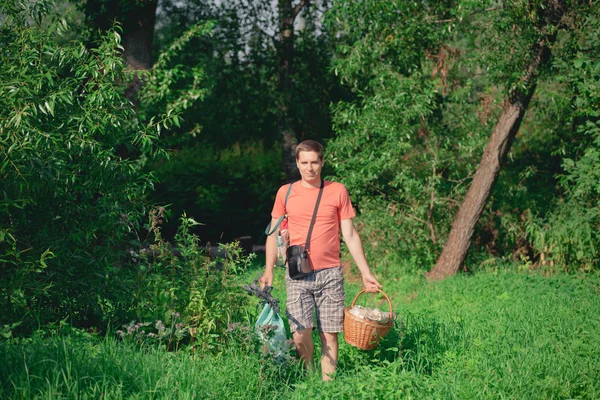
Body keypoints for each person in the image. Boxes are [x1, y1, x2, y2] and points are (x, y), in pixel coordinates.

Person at [259, 140, 382, 381]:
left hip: (330, 273)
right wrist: (268, 271)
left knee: (330, 334)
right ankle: (309, 372)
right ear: (297, 163)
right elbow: (272, 234)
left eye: (314, 162)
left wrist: (365, 272)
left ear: (322, 162)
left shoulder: (337, 191)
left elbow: (350, 234)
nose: (309, 168)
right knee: (299, 334)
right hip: (297, 272)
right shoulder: (286, 192)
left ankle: (328, 388)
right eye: (304, 162)